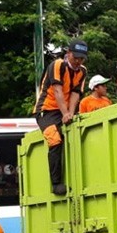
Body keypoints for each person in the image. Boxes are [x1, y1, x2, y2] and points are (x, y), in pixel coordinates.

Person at [33, 39, 88, 195]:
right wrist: (65, 114)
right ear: (68, 53)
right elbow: (57, 91)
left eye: (81, 58)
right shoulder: (58, 65)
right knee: (55, 140)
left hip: (65, 109)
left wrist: (70, 113)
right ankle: (56, 183)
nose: (78, 61)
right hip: (47, 110)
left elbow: (76, 94)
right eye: (75, 57)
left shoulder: (82, 71)